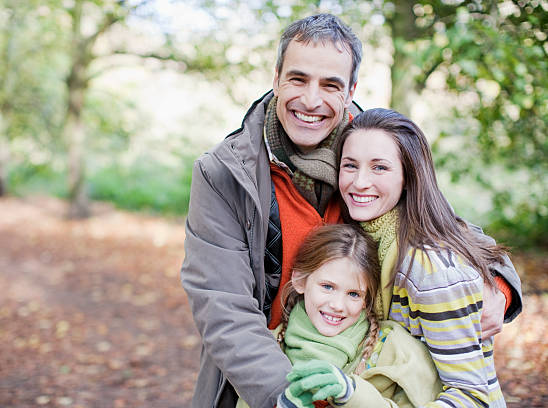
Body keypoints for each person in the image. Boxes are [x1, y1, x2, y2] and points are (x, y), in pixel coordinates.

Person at [180, 14, 522, 408]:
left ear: (350, 90)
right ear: (276, 79)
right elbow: (223, 305)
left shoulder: (372, 148)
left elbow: (441, 221)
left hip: (370, 380)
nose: (311, 100)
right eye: (298, 79)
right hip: (267, 379)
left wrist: (496, 285)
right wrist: (284, 396)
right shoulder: (224, 173)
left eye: (330, 85)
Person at [285, 108, 518, 407]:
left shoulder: (428, 270)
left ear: (409, 177)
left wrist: (503, 289)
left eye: (379, 168)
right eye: (350, 165)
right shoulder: (362, 237)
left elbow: (472, 396)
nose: (359, 182)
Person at [237, 224, 442, 408]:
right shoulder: (269, 349)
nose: (337, 305)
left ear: (366, 300)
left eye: (354, 294)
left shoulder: (395, 349)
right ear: (300, 280)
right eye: (327, 287)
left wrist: (352, 395)